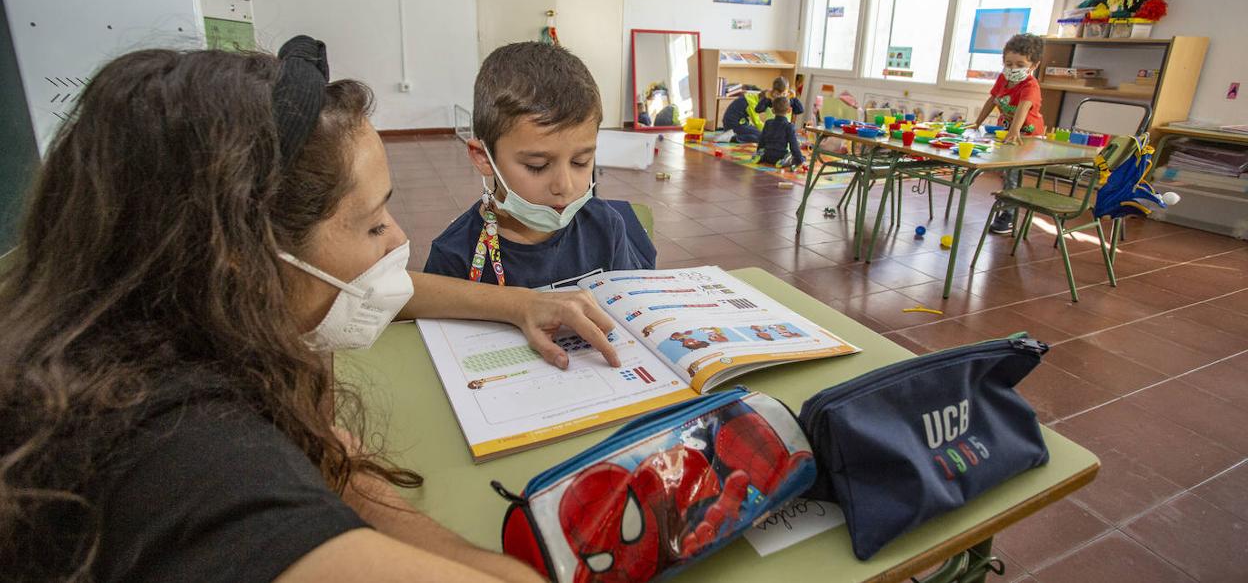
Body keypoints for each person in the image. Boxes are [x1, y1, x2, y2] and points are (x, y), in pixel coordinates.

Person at [0, 40, 623, 582]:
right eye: (373, 223)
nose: (397, 241)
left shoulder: (126, 323)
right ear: (244, 255)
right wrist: (340, 469)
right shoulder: (186, 460)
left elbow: (395, 285)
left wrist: (519, 303)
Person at [424, 42, 652, 290]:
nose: (564, 186)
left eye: (580, 162)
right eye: (537, 166)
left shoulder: (606, 226)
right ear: (484, 157)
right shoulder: (454, 257)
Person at [971, 33, 1047, 235]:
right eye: (1009, 63)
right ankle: (1006, 205)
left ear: (1033, 65)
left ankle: (1009, 216)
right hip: (1007, 134)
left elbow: (1023, 107)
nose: (1013, 69)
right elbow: (992, 100)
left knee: (1012, 176)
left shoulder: (1030, 85)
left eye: (1020, 64)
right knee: (1005, 174)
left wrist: (1014, 130)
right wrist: (977, 122)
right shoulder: (1003, 79)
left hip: (1027, 137)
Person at [756, 96, 805, 169]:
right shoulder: (789, 126)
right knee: (797, 157)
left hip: (767, 155)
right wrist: (800, 159)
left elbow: (762, 140)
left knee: (765, 152)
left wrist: (759, 151)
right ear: (789, 110)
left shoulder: (768, 123)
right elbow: (794, 146)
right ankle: (784, 161)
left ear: (772, 110)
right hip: (780, 156)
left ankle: (761, 156)